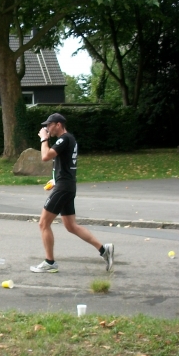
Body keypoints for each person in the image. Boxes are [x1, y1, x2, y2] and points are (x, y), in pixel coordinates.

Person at [30, 113, 114, 273]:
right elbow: (65, 165)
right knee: (71, 225)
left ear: (58, 124)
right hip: (66, 185)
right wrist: (55, 179)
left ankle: (50, 262)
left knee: (43, 223)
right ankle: (104, 250)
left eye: (49, 125)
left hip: (64, 188)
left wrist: (44, 139)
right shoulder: (70, 139)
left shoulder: (64, 139)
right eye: (46, 126)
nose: (47, 128)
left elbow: (45, 157)